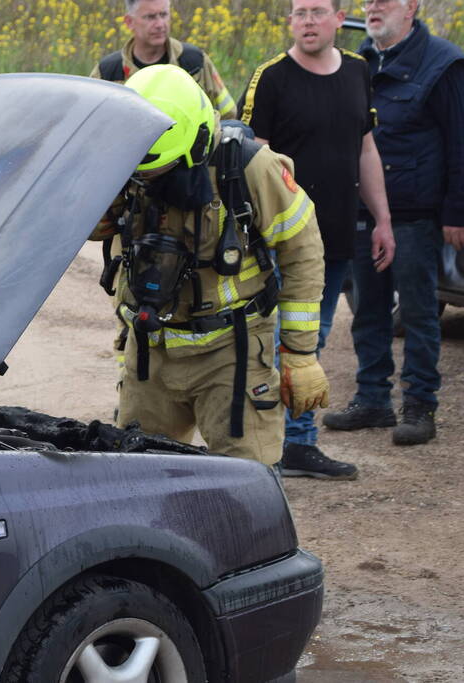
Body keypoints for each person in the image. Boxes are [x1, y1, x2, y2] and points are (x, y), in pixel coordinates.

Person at [91, 64, 329, 466]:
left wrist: (300, 353)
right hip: (150, 347)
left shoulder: (250, 167)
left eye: (164, 172)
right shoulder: (129, 160)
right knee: (137, 476)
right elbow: (91, 226)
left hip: (230, 353)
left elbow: (302, 250)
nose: (154, 180)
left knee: (245, 484)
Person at [238, 0, 394, 479]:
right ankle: (263, 446)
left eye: (317, 11)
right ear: (290, 21)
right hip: (280, 242)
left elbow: (366, 149)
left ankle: (297, 446)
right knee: (270, 344)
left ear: (336, 19)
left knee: (313, 342)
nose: (307, 20)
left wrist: (383, 219)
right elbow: (250, 161)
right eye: (299, 12)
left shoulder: (358, 71)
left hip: (337, 239)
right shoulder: (270, 78)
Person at [323, 0, 464, 445]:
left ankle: (420, 406)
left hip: (416, 214)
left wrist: (457, 212)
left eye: (385, 1)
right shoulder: (356, 63)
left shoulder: (444, 64)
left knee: (420, 314)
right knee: (367, 309)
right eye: (369, 1)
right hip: (362, 212)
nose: (374, 7)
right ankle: (372, 400)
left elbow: (461, 142)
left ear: (412, 8)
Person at [89, 0, 237, 120]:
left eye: (164, 14)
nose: (160, 24)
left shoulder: (195, 63)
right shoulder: (107, 73)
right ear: (129, 22)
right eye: (150, 17)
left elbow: (228, 116)